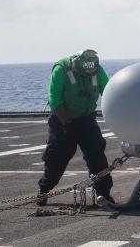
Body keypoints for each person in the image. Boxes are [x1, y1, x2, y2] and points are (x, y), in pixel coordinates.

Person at [37, 49, 114, 205]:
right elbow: (54, 100)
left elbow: (109, 91)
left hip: (86, 119)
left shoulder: (96, 69)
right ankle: (44, 189)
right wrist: (66, 124)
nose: (88, 75)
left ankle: (103, 194)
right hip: (62, 120)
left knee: (97, 155)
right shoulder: (61, 70)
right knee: (56, 157)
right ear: (77, 64)